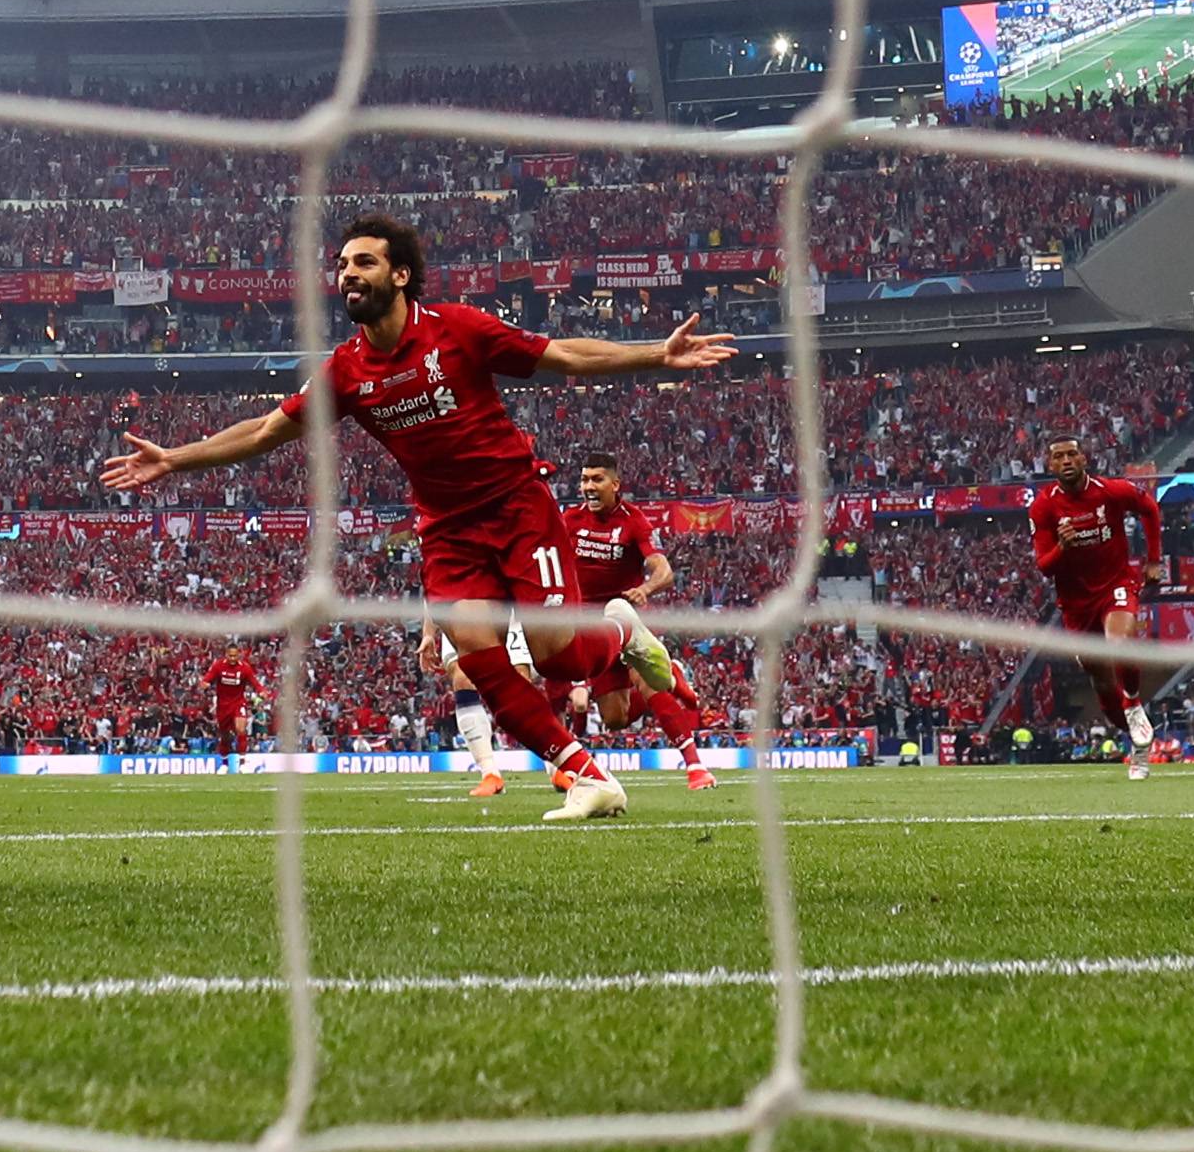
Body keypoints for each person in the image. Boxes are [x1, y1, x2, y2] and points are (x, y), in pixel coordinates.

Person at [100, 215, 730, 821]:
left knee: (559, 660)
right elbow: (268, 430)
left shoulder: (457, 329)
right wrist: (174, 460)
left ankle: (619, 627)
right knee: (479, 659)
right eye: (342, 264)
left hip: (516, 507)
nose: (348, 273)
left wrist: (656, 355)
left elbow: (561, 354)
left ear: (399, 275)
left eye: (364, 262)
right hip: (448, 531)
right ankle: (588, 778)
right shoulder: (346, 370)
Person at [565, 452, 716, 789]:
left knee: (649, 683)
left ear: (615, 485)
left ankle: (695, 767)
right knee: (615, 719)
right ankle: (670, 673)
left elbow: (664, 571)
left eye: (597, 479)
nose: (588, 486)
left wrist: (645, 589)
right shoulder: (569, 519)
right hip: (590, 626)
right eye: (584, 479)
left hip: (625, 616)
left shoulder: (634, 521)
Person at [1025, 432, 1163, 781]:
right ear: (1050, 464)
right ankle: (1137, 746)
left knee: (1119, 644)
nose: (1067, 461)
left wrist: (1153, 560)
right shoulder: (1043, 507)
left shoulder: (1112, 491)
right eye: (1059, 457)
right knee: (1101, 683)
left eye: (1073, 454)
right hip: (1075, 604)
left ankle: (1133, 702)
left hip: (1115, 585)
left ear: (1085, 458)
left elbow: (1149, 508)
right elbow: (1044, 565)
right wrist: (1063, 549)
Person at [420, 618, 507, 794]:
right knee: (462, 677)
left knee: (522, 678)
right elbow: (433, 594)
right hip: (458, 618)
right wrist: (429, 634)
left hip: (506, 613)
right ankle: (490, 774)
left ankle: (557, 766)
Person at [205, 646, 259, 758]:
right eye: (230, 655)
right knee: (225, 735)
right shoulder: (218, 665)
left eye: (235, 655)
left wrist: (262, 690)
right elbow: (207, 678)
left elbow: (254, 682)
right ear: (226, 654)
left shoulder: (245, 667)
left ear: (239, 655)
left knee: (241, 729)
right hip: (223, 705)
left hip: (239, 702)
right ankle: (224, 762)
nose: (233, 658)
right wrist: (204, 683)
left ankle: (243, 762)